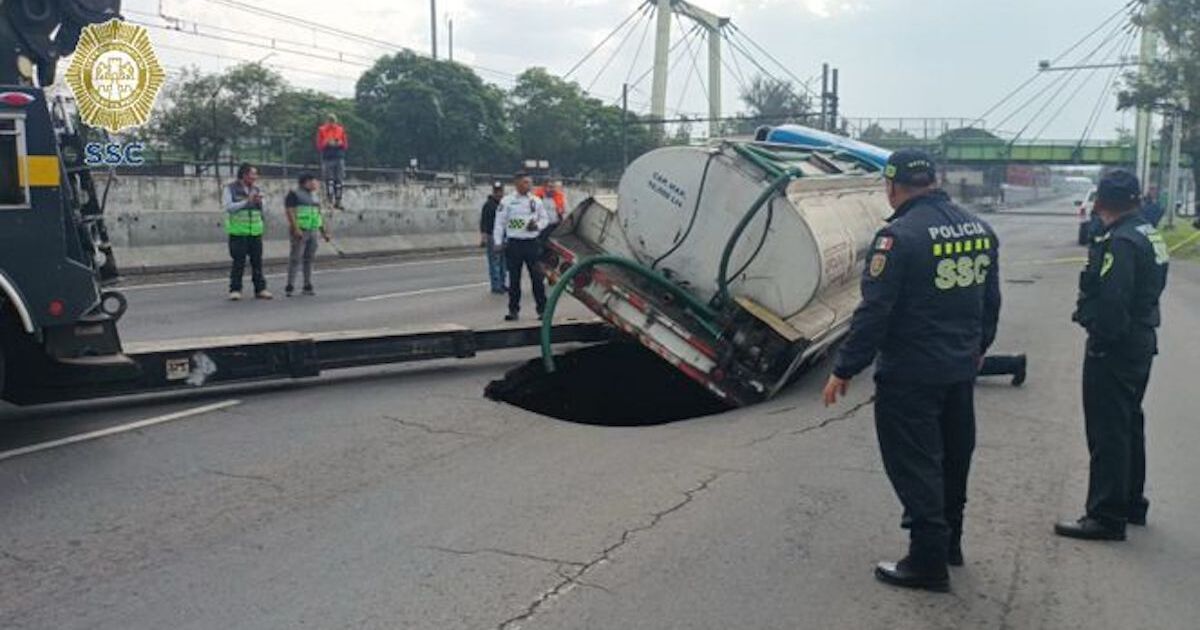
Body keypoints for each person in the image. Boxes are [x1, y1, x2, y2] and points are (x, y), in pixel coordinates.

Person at [822, 150, 1001, 592]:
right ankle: (949, 543)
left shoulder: (897, 238)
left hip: (911, 374)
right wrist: (980, 347)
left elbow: (875, 312)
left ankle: (926, 560)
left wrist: (844, 367)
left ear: (892, 186)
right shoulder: (979, 229)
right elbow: (990, 300)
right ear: (933, 180)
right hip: (959, 369)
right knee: (954, 456)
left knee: (917, 464)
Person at [1055, 170, 1169, 541]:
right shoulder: (1147, 234)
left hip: (1116, 346)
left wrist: (1102, 339)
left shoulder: (1120, 241)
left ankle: (1105, 515)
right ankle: (1131, 502)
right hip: (1139, 340)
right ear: (1137, 199)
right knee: (1128, 424)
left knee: (1108, 430)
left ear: (1101, 201)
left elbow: (1113, 300)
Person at [493, 172, 550, 321]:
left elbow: (545, 219)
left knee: (537, 278)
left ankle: (543, 310)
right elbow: (499, 223)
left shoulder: (536, 201)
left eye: (530, 182)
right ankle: (513, 310)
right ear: (517, 183)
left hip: (531, 243)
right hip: (514, 244)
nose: (529, 185)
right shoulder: (507, 201)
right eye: (525, 182)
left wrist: (537, 226)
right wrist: (498, 242)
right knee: (514, 280)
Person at [224, 162, 272, 301]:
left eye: (255, 175)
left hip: (255, 231)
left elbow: (265, 210)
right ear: (244, 175)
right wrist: (246, 201)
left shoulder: (257, 189)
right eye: (252, 174)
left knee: (257, 262)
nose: (255, 177)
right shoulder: (231, 189)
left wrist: (260, 202)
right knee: (238, 262)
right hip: (238, 232)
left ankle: (260, 289)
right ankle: (235, 289)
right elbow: (229, 207)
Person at [284, 173, 331, 297]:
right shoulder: (294, 194)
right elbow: (290, 212)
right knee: (295, 258)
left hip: (312, 230)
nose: (316, 184)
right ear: (307, 182)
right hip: (300, 231)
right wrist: (296, 228)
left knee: (309, 258)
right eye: (314, 181)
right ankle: (290, 285)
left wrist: (323, 231)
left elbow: (318, 215)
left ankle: (307, 284)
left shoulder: (315, 197)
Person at [316, 113, 348, 210]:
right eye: (330, 121)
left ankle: (338, 201)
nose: (332, 123)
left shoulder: (340, 130)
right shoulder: (321, 130)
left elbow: (345, 145)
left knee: (339, 181)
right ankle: (329, 201)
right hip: (327, 157)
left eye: (333, 121)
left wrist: (339, 143)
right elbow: (319, 146)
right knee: (329, 181)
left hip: (339, 157)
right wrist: (327, 143)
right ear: (327, 121)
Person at [480, 182, 507, 294]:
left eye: (500, 191)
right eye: (496, 191)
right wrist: (484, 236)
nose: (499, 193)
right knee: (494, 261)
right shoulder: (488, 205)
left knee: (503, 262)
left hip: (503, 235)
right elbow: (483, 221)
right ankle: (496, 285)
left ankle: (502, 283)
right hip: (492, 236)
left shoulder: (504, 204)